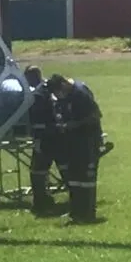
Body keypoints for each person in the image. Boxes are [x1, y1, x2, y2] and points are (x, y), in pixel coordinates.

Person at [48, 73, 103, 223]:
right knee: (73, 178)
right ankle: (76, 211)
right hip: (73, 141)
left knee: (85, 179)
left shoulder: (80, 93)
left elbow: (95, 115)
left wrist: (75, 124)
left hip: (87, 140)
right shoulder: (65, 96)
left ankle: (87, 213)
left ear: (64, 85)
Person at [24, 65, 66, 215]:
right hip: (58, 135)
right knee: (64, 169)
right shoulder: (49, 90)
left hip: (45, 137)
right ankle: (77, 200)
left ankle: (41, 202)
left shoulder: (38, 95)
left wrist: (35, 137)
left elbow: (36, 119)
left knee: (37, 171)